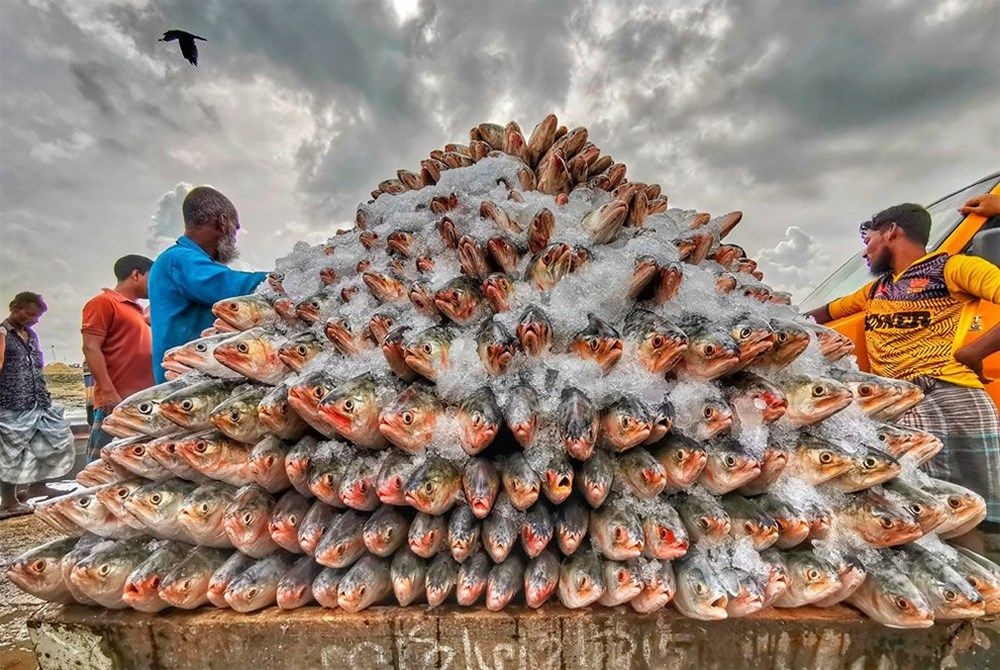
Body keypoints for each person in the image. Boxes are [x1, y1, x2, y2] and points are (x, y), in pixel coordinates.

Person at [808, 203, 1000, 549]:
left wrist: (974, 351)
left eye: (868, 240)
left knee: (963, 517)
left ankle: (977, 596)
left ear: (891, 231)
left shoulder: (953, 267)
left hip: (953, 397)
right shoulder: (876, 291)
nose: (865, 251)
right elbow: (820, 314)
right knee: (915, 517)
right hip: (900, 406)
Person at [148, 186, 267, 383]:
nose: (234, 238)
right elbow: (236, 288)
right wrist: (296, 272)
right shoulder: (178, 259)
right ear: (222, 222)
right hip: (184, 388)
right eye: (235, 228)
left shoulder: (183, 260)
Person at [0, 292, 74, 517]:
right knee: (11, 453)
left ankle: (37, 486)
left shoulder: (30, 335)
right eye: (30, 314)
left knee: (47, 441)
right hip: (11, 402)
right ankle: (9, 501)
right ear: (15, 308)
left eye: (37, 317)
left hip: (37, 400)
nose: (33, 320)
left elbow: (37, 366)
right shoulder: (2, 333)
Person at [81, 255, 156, 460]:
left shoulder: (139, 311)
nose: (155, 283)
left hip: (142, 401)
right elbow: (90, 347)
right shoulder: (104, 303)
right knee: (103, 465)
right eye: (152, 277)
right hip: (116, 401)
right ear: (136, 274)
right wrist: (107, 391)